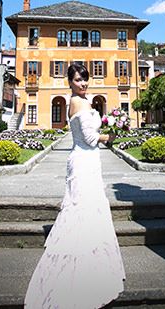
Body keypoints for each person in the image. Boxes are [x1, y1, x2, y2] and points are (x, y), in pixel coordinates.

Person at [24, 63, 125, 308]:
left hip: (83, 160)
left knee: (84, 210)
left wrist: (109, 120)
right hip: (84, 161)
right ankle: (82, 273)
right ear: (69, 81)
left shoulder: (79, 100)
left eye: (85, 79)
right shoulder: (79, 103)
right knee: (83, 210)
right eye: (79, 80)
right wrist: (109, 135)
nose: (83, 84)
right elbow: (90, 139)